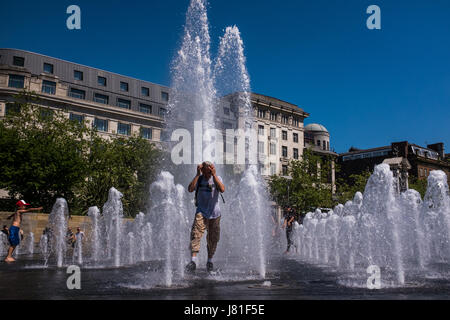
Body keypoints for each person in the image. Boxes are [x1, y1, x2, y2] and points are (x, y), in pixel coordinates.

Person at [185, 161, 225, 273]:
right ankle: (193, 261)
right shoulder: (199, 179)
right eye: (205, 171)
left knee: (213, 239)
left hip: (215, 214)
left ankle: (210, 261)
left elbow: (222, 189)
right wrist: (197, 174)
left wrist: (214, 175)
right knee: (195, 234)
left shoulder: (217, 178)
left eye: (209, 171)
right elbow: (190, 189)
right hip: (201, 212)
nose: (207, 174)